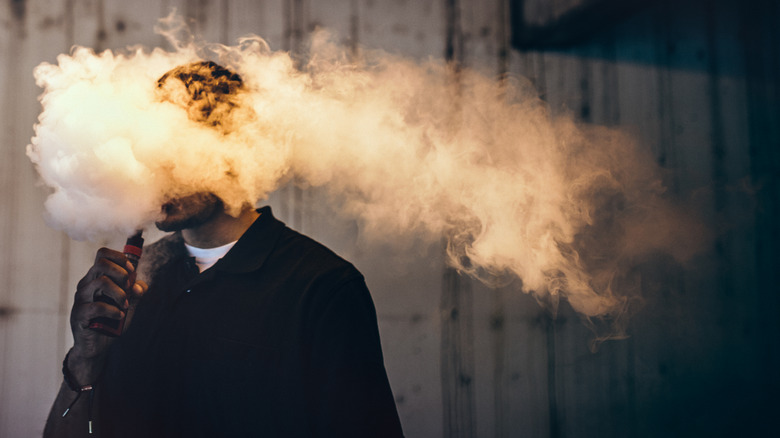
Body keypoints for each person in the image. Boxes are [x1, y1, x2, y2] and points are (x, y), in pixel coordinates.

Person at [43, 62, 405, 437]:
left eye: (174, 153)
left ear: (236, 153)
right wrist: (86, 357)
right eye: (148, 151)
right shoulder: (136, 278)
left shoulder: (323, 287)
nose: (154, 172)